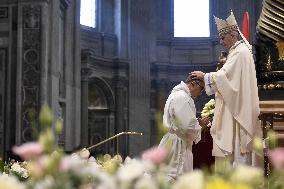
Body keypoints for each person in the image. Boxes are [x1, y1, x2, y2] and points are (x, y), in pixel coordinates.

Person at [190, 11, 261, 167]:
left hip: (238, 112)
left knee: (237, 154)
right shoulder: (237, 52)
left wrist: (205, 76)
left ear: (233, 35)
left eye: (223, 37)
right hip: (235, 107)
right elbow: (226, 78)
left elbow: (226, 78)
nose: (221, 42)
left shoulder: (240, 52)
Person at [158, 75, 209, 182]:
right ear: (193, 84)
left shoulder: (180, 95)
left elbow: (183, 121)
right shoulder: (182, 97)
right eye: (201, 89)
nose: (201, 93)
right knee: (174, 178)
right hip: (177, 145)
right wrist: (201, 125)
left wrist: (196, 122)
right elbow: (186, 126)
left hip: (177, 142)